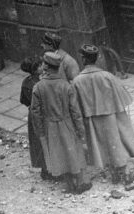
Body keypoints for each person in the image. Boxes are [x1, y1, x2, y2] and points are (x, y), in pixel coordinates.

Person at [72, 45, 134, 184]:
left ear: (84, 59)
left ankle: (113, 172)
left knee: (100, 144)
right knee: (116, 143)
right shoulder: (107, 76)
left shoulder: (77, 81)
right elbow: (122, 98)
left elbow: (75, 105)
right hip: (110, 116)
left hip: (91, 118)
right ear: (97, 59)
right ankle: (124, 172)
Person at [30, 52, 88, 194]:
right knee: (74, 152)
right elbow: (76, 112)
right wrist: (81, 131)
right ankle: (80, 183)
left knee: (58, 154)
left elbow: (35, 113)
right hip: (68, 124)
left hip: (50, 126)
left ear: (46, 67)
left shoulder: (38, 87)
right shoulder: (66, 86)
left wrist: (40, 132)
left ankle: (69, 185)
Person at [19, 57, 49, 180]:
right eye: (41, 65)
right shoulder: (40, 85)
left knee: (37, 142)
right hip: (42, 115)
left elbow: (22, 100)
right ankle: (49, 170)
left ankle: (44, 169)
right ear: (36, 69)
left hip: (32, 115)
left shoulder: (26, 82)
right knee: (45, 141)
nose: (43, 66)